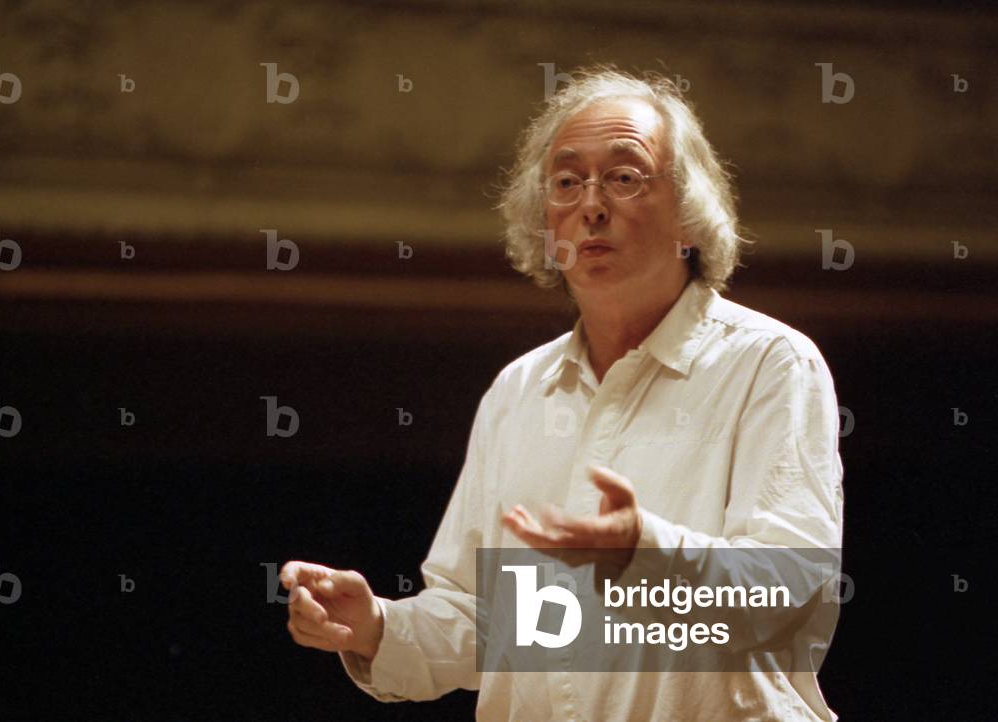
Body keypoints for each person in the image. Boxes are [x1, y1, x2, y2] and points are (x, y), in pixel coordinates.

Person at [279, 65, 844, 721]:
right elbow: (490, 624)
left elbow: (788, 601)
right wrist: (376, 626)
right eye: (566, 182)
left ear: (689, 217)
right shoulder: (519, 392)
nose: (591, 204)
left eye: (625, 176)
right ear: (548, 230)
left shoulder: (769, 364)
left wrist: (643, 551)